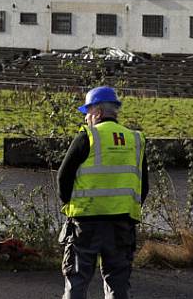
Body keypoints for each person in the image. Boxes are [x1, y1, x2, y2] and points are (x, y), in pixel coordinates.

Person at [57, 86, 148, 299]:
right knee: (117, 281)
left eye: (87, 112)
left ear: (97, 112)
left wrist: (70, 206)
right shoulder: (135, 139)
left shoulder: (87, 137)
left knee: (77, 279)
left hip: (86, 222)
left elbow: (63, 177)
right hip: (121, 223)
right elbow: (144, 185)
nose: (86, 117)